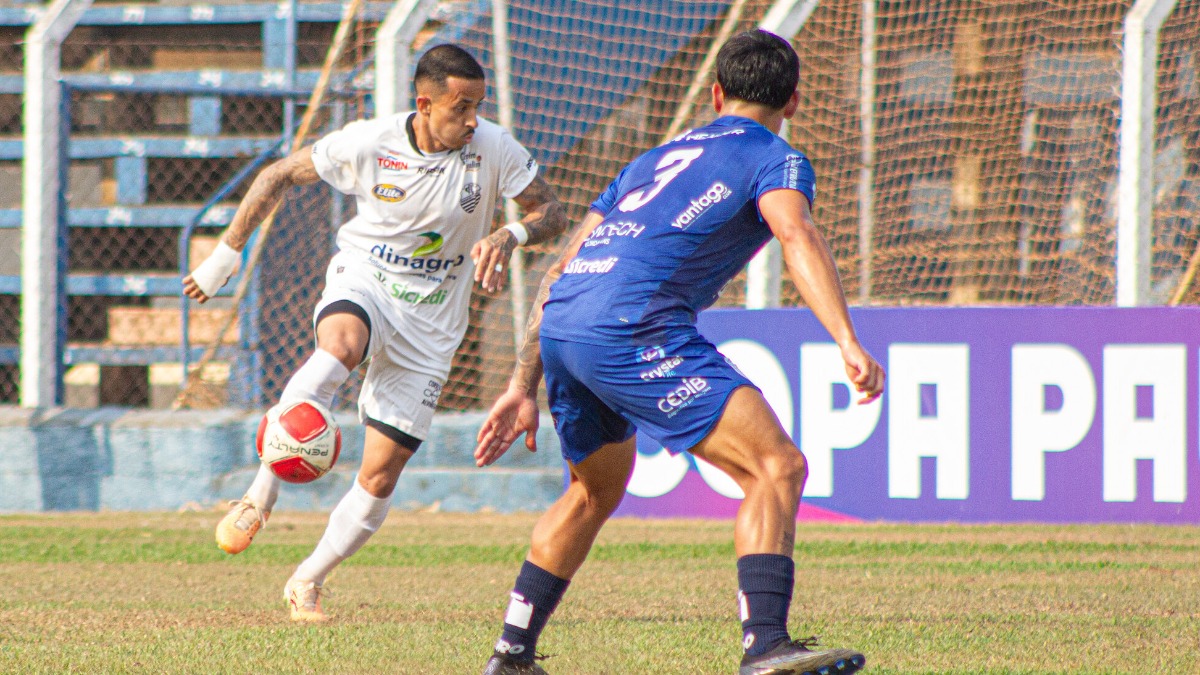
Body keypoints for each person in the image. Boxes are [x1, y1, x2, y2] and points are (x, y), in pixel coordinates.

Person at [473, 29, 884, 675]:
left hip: (565, 324)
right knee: (775, 466)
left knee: (591, 492)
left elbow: (559, 270)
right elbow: (795, 230)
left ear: (717, 93)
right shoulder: (774, 155)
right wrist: (846, 338)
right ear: (795, 101)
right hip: (632, 325)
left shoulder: (651, 159)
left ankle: (512, 655)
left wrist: (523, 383)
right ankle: (765, 646)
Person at [183, 43, 566, 622]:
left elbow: (553, 212)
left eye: (477, 108)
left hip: (433, 326)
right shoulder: (371, 143)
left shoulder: (494, 147)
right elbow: (279, 173)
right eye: (460, 108)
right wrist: (225, 257)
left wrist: (510, 234)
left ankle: (306, 581)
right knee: (337, 348)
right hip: (366, 282)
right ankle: (259, 496)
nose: (471, 121)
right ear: (424, 103)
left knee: (380, 474)